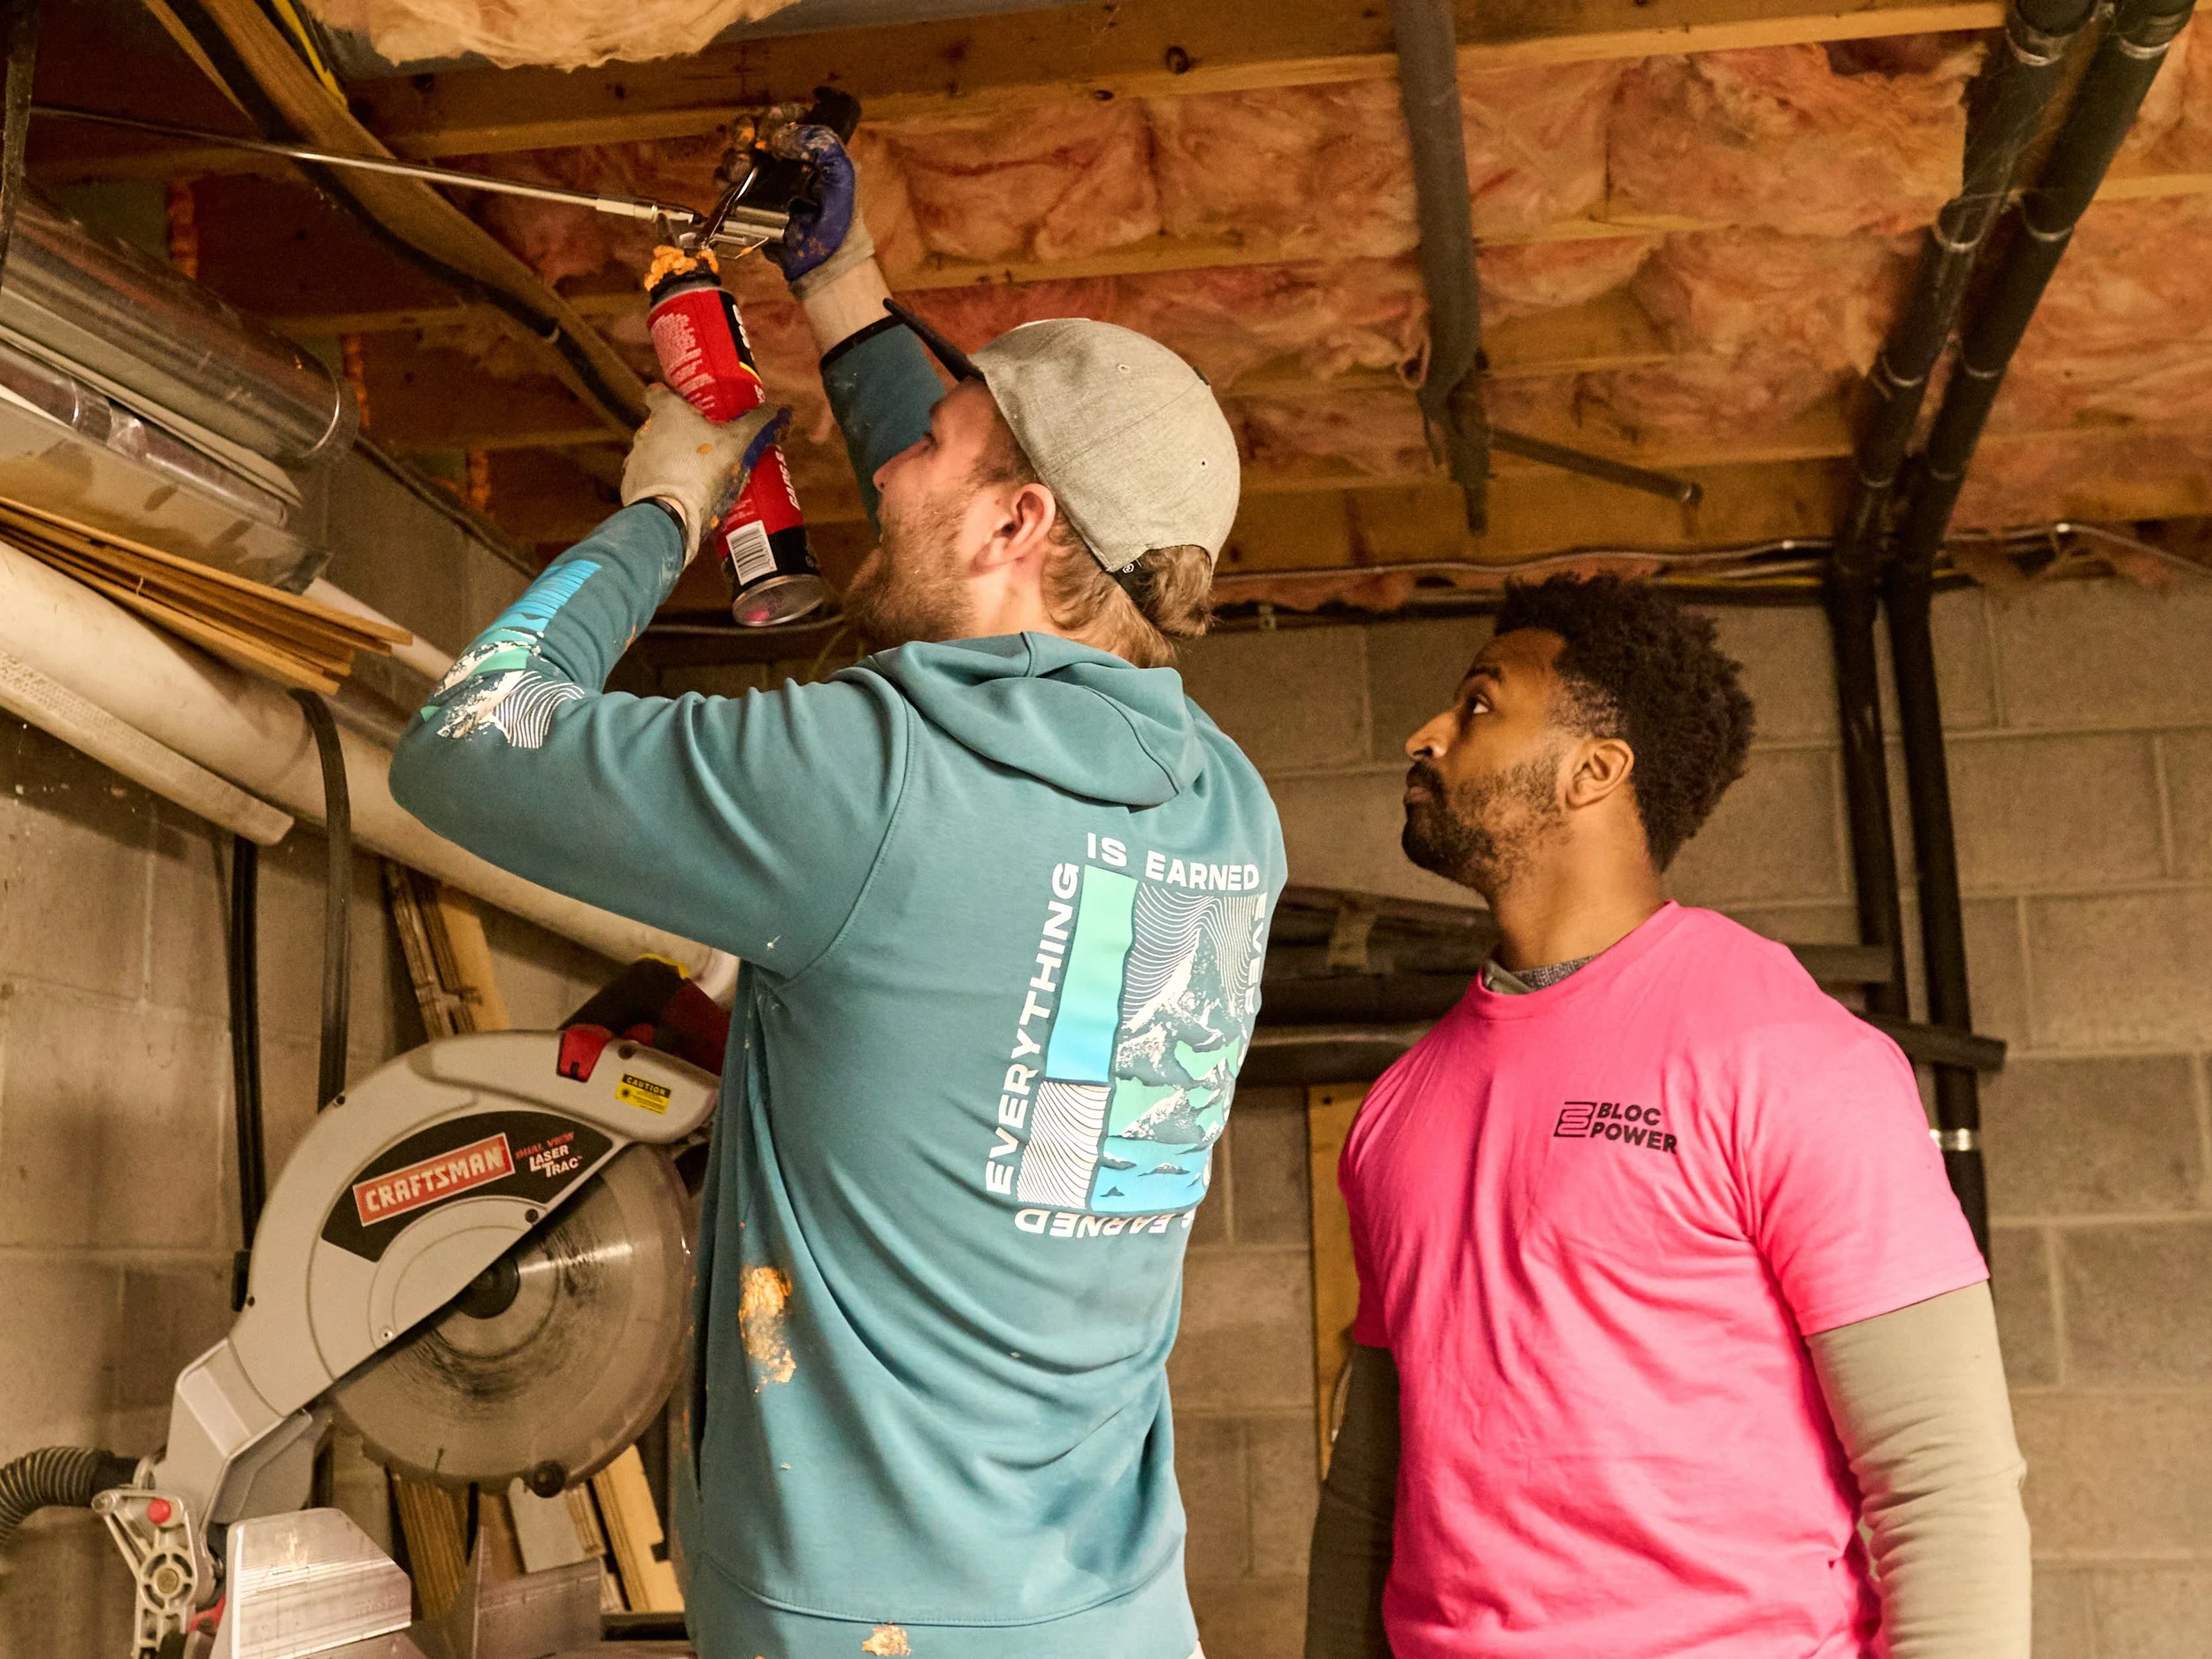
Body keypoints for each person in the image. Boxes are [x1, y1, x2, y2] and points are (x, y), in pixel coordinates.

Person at [390, 118, 1283, 1659]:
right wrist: (844, 287)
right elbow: (1000, 548)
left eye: (926, 443)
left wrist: (657, 510)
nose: (890, 463)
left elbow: (464, 748)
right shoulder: (1228, 810)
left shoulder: (877, 777)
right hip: (1111, 1609)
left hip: (867, 1622)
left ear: (1021, 522)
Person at [1306, 576, 2028, 1659]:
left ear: (1594, 769)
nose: (1427, 734)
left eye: (1478, 706)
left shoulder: (1786, 1054)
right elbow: (1369, 1495)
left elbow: (1942, 1479)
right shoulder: (1396, 1110)